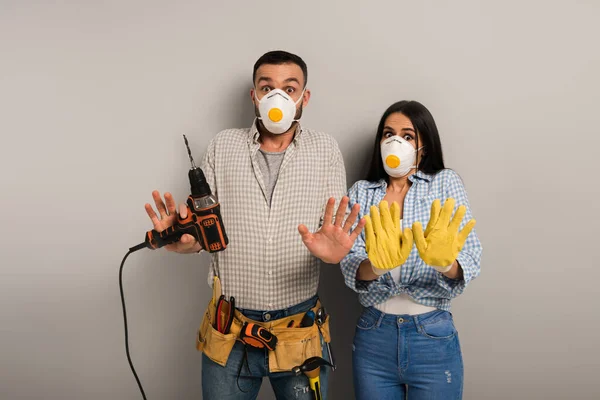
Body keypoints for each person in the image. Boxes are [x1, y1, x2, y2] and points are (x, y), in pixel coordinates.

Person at [143, 50, 363, 400]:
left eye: (289, 89)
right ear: (254, 96)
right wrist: (185, 239)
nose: (278, 97)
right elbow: (203, 233)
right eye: (267, 87)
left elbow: (330, 236)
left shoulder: (325, 150)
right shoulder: (222, 146)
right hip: (229, 331)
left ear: (304, 97)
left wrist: (334, 254)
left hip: (299, 333)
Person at [302, 100, 482, 399]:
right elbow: (349, 264)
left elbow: (471, 257)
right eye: (388, 134)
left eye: (407, 135)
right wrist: (377, 266)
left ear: (423, 145)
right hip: (375, 334)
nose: (395, 141)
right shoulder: (362, 191)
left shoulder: (444, 183)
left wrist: (444, 264)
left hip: (432, 333)